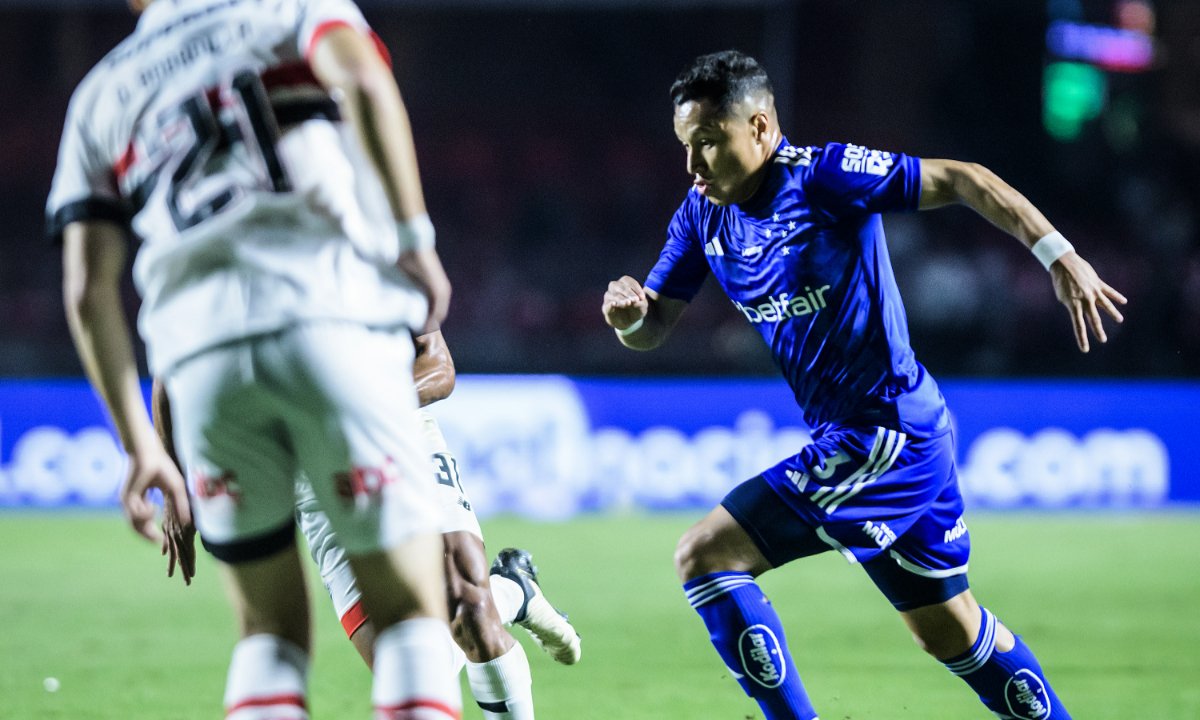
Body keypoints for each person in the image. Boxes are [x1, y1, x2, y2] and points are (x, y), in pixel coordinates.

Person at [601, 50, 1126, 720]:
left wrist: (1060, 254)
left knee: (705, 556)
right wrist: (630, 319)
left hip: (885, 434)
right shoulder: (703, 215)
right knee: (949, 631)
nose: (694, 167)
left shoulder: (825, 177)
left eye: (708, 143)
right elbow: (654, 325)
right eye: (685, 147)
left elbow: (964, 179)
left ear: (760, 128)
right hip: (885, 437)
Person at [50, 0, 459, 717]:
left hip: (201, 362)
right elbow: (364, 83)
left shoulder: (101, 92)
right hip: (331, 317)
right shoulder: (291, 8)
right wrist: (412, 236)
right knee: (410, 619)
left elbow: (87, 289)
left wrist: (141, 447)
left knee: (267, 634)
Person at [153, 328, 582, 720]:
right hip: (306, 477)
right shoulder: (229, 265)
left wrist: (367, 410)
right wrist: (173, 480)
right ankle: (511, 591)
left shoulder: (375, 252)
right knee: (402, 666)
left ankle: (495, 598)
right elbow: (169, 376)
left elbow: (439, 367)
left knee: (470, 607)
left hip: (396, 442)